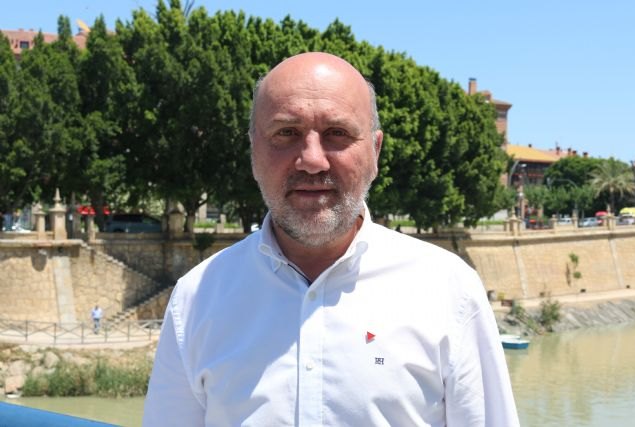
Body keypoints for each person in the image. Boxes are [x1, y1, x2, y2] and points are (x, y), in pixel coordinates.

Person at [143, 52, 520, 426]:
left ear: (375, 151)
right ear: (254, 149)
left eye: (337, 133)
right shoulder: (195, 299)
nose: (312, 160)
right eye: (286, 133)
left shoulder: (450, 290)